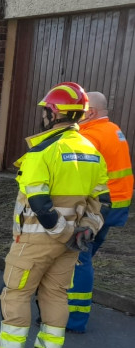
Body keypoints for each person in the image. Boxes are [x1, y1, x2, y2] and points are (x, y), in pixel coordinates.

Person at [0, 82, 109, 348]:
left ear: (52, 112)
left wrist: (60, 232)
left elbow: (38, 201)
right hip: (73, 242)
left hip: (36, 239)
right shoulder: (91, 150)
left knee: (16, 293)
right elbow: (102, 201)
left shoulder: (42, 151)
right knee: (56, 295)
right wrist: (83, 232)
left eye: (45, 111)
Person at [63, 91, 133, 333]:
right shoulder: (114, 130)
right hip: (115, 206)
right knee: (85, 256)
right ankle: (66, 302)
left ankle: (74, 319)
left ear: (90, 112)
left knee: (78, 260)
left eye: (79, 109)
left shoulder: (89, 137)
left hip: (98, 208)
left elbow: (79, 176)